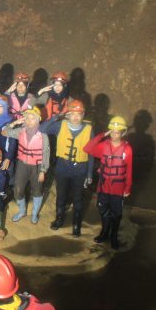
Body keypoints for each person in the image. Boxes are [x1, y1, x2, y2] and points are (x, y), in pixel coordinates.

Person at [40, 100, 94, 236]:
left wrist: (89, 174)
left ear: (83, 115)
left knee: (78, 198)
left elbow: (91, 154)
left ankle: (76, 225)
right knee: (61, 196)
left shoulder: (89, 129)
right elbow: (42, 129)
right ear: (68, 114)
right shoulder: (60, 125)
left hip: (80, 169)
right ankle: (59, 219)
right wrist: (57, 116)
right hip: (62, 168)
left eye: (79, 114)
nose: (76, 117)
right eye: (73, 114)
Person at [84, 116, 133, 250]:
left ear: (123, 133)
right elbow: (87, 148)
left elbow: (129, 170)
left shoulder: (127, 150)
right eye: (112, 132)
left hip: (118, 187)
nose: (114, 135)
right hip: (104, 186)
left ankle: (113, 236)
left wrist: (127, 188)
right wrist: (102, 135)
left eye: (117, 132)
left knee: (116, 214)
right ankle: (104, 233)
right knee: (103, 210)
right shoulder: (103, 146)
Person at [2, 107, 49, 224]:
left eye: (32, 118)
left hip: (37, 167)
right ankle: (22, 211)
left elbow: (46, 153)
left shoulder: (43, 135)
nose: (29, 120)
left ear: (38, 120)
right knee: (18, 190)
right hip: (22, 164)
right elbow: (4, 132)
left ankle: (34, 214)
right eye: (27, 118)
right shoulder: (21, 131)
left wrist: (43, 171)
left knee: (37, 191)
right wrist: (14, 123)